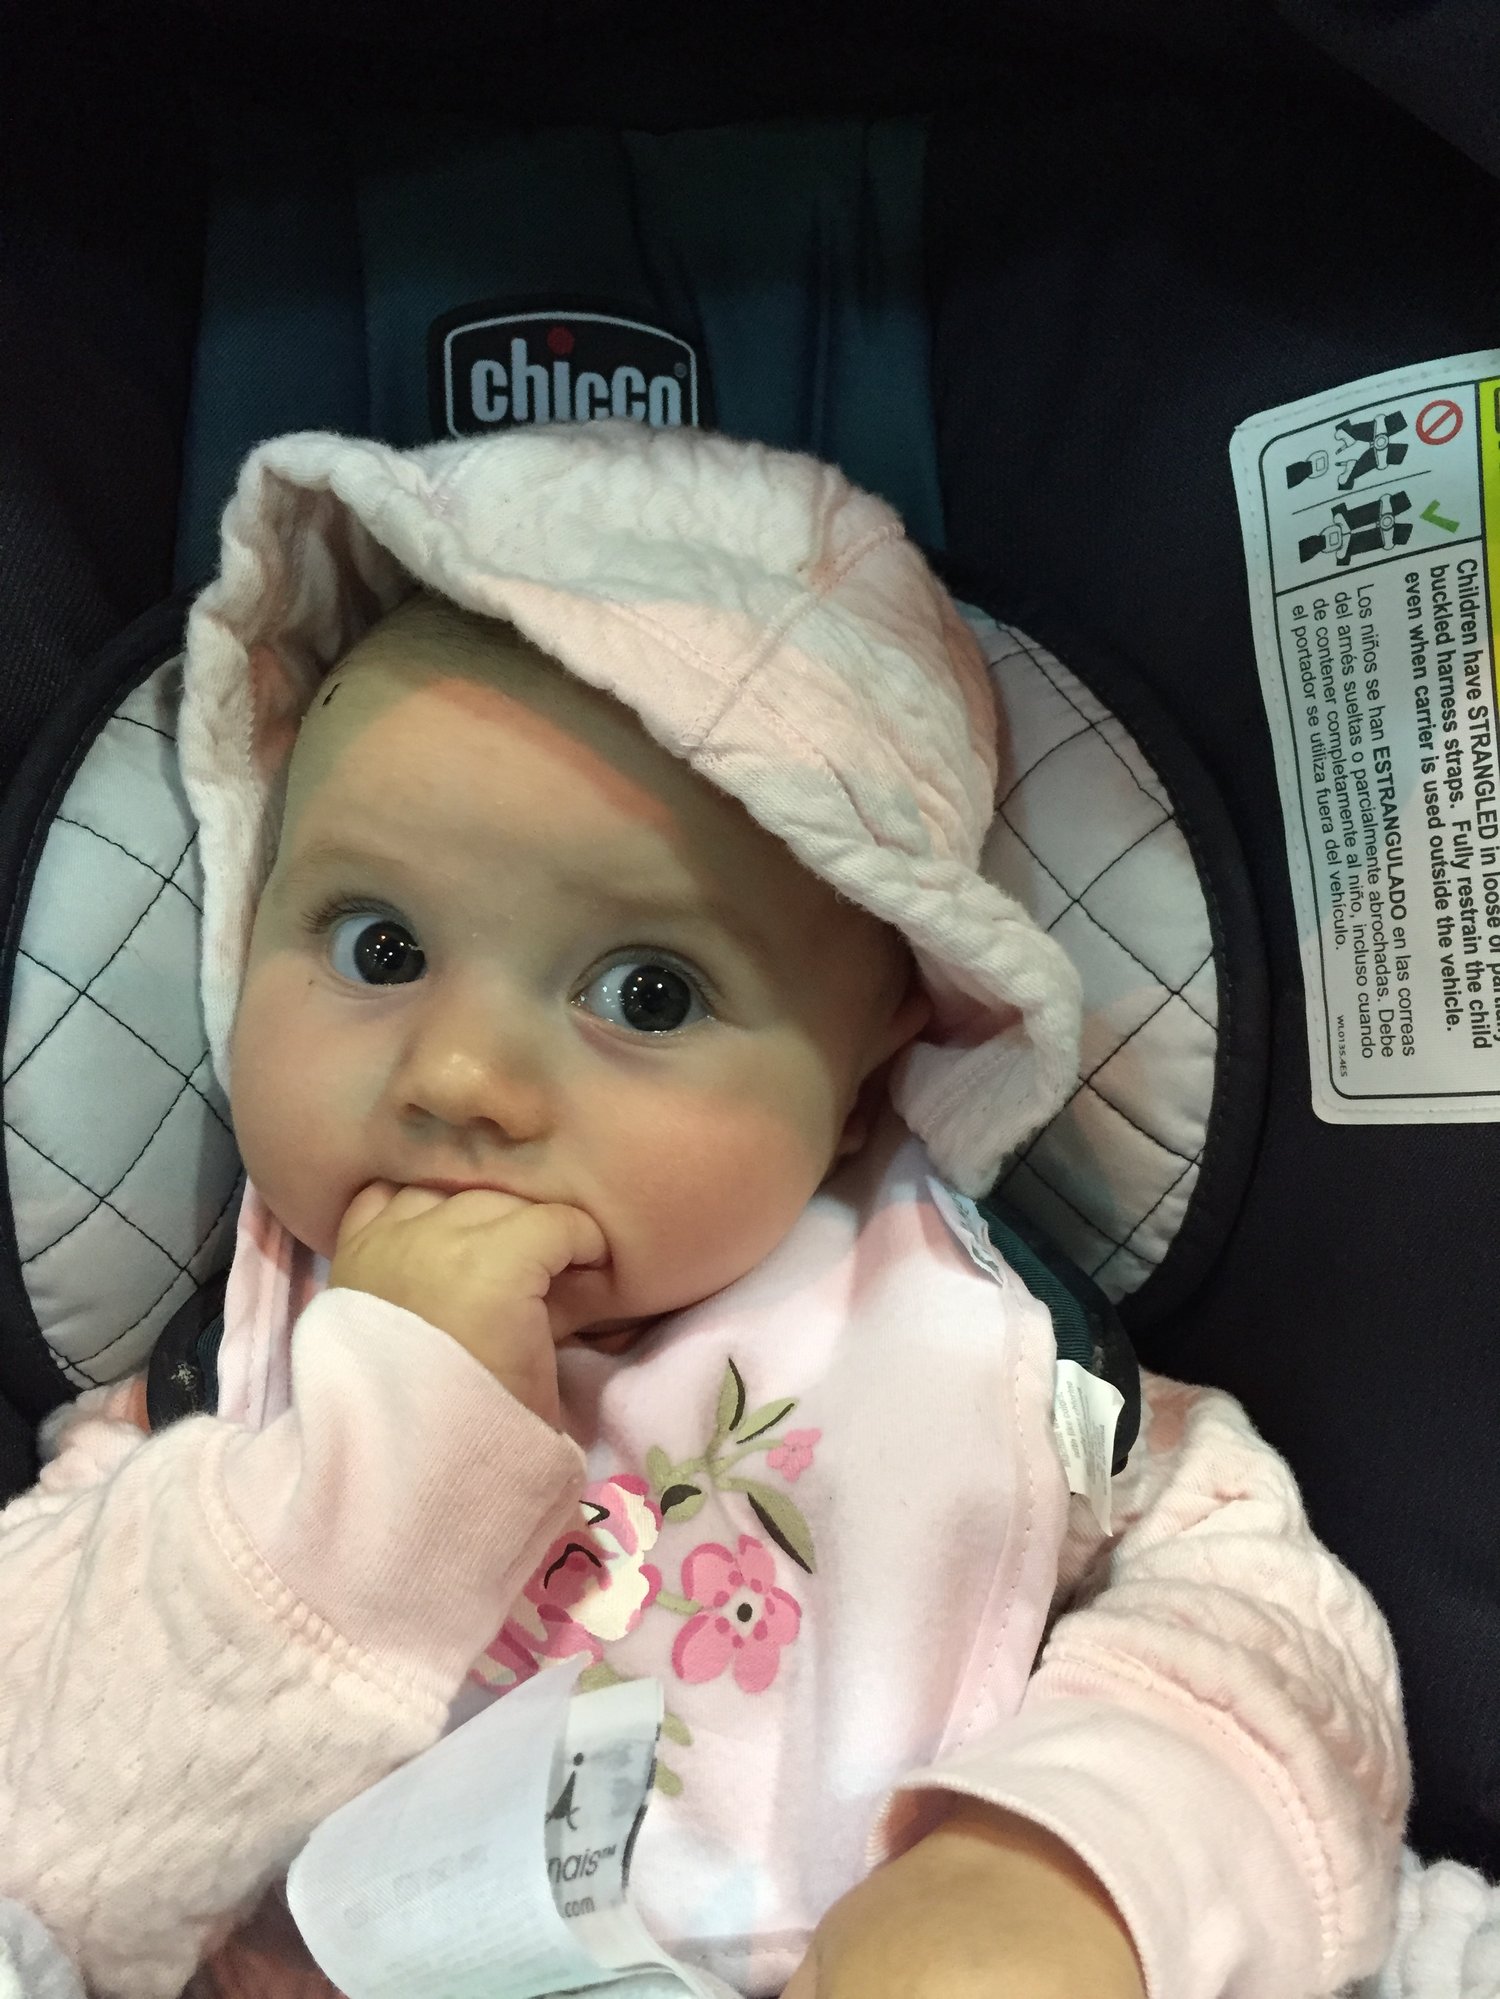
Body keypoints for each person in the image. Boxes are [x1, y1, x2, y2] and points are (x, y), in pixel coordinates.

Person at [0, 421, 1406, 1999]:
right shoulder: (210, 1406)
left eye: (648, 994)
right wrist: (369, 1462)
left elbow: (1272, 1653)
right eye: (379, 948)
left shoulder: (979, 1352)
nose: (460, 1075)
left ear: (869, 1072)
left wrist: (1061, 1874)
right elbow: (41, 1828)